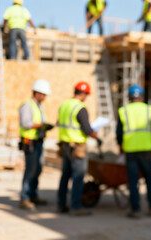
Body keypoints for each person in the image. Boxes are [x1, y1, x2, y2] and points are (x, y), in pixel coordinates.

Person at [57, 81, 101, 216]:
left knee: (65, 176)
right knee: (78, 177)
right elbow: (87, 129)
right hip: (77, 147)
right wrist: (96, 136)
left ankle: (61, 204)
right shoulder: (80, 108)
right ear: (83, 94)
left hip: (64, 145)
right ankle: (76, 207)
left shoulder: (64, 105)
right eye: (86, 95)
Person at [116, 85, 151, 218]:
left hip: (130, 150)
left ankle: (135, 210)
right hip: (147, 150)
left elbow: (119, 133)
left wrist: (120, 146)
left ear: (129, 97)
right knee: (149, 179)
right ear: (141, 96)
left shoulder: (123, 111)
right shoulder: (150, 110)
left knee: (133, 181)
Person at [18, 79, 53, 210]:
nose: (44, 97)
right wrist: (42, 125)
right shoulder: (27, 105)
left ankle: (33, 195)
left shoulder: (39, 106)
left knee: (37, 169)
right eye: (43, 94)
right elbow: (26, 123)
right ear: (37, 93)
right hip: (30, 142)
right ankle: (25, 197)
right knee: (30, 170)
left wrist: (45, 127)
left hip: (38, 142)